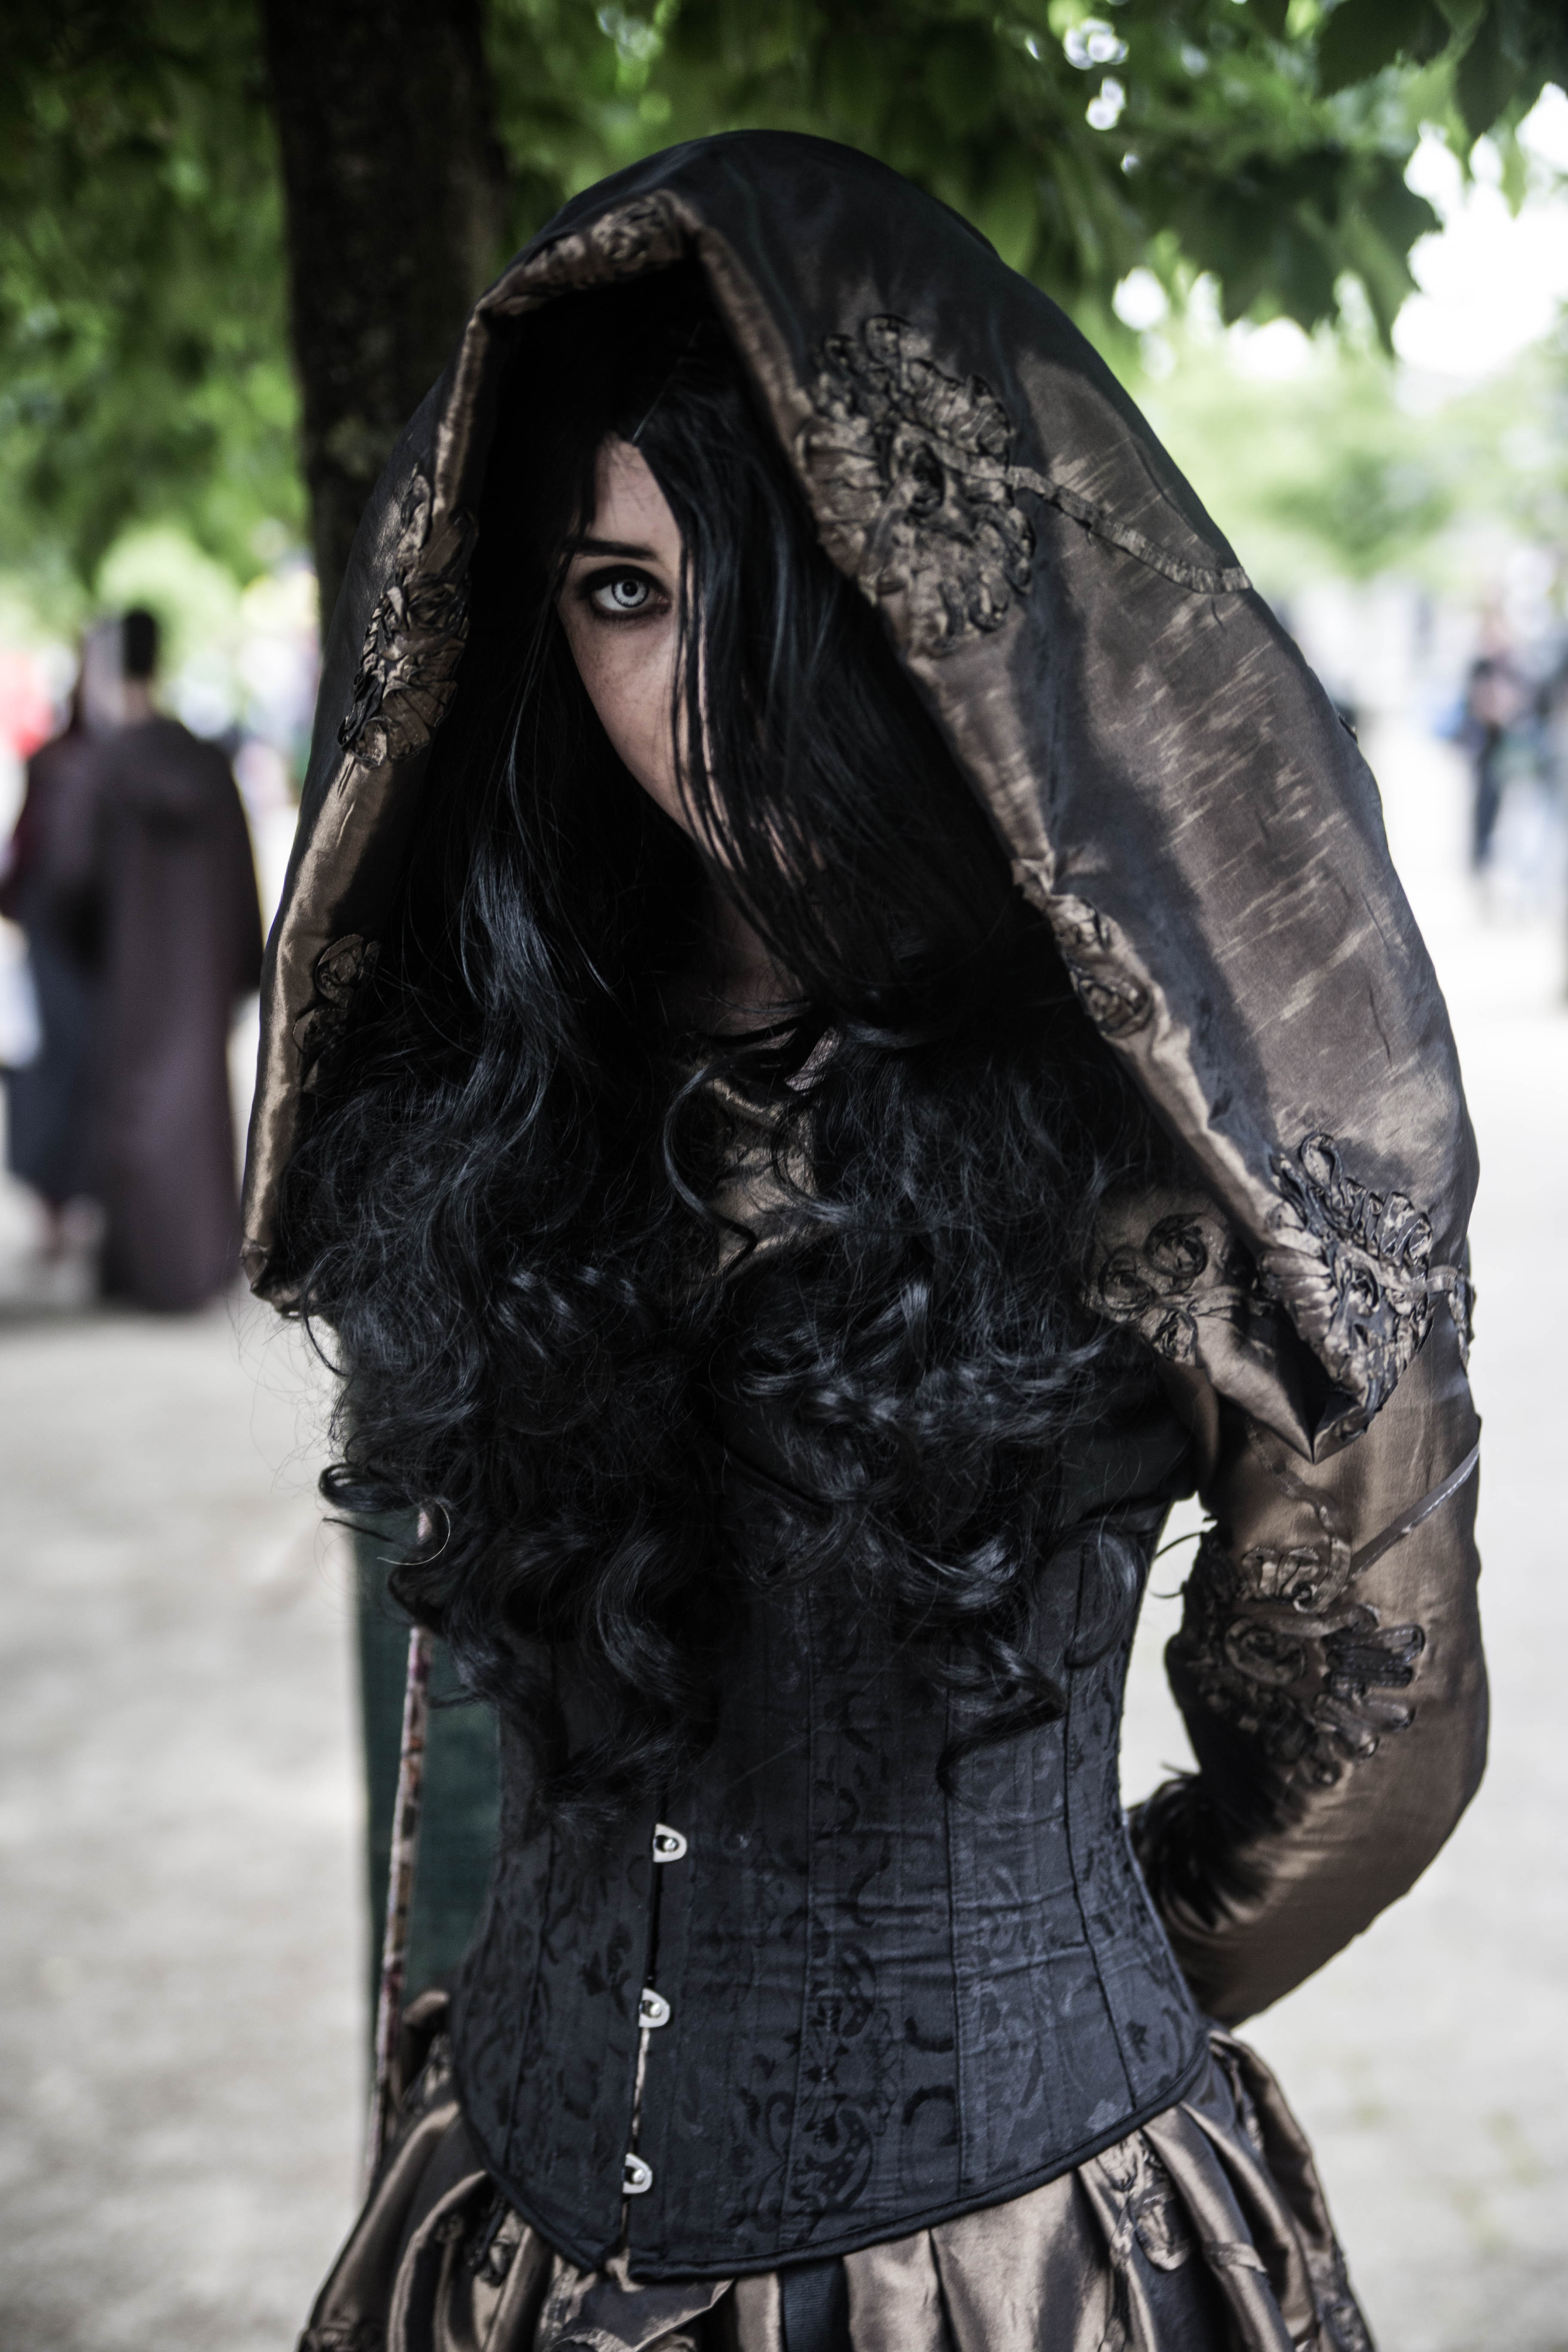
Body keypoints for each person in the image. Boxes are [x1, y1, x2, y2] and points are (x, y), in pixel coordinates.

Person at [245, 138, 1485, 2352]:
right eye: (619, 591)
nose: (703, 687)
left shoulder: (1170, 1112)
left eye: (774, 567)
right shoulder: (499, 1076)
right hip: (496, 2223)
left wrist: (1027, 2000)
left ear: (929, 586)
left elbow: (1369, 1752)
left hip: (1014, 2264)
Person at [89, 608, 264, 1310]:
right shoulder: (208, 765)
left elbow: (68, 877)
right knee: (197, 1102)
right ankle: (199, 1263)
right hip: (201, 968)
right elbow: (244, 874)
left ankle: (143, 1268)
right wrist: (246, 963)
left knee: (136, 1106)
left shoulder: (106, 768)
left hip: (130, 967)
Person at [0, 670, 103, 1258]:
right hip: (76, 945)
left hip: (61, 940)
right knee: (64, 1074)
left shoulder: (63, 765)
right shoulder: (92, 766)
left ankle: (59, 1210)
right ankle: (64, 1208)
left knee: (54, 1075)